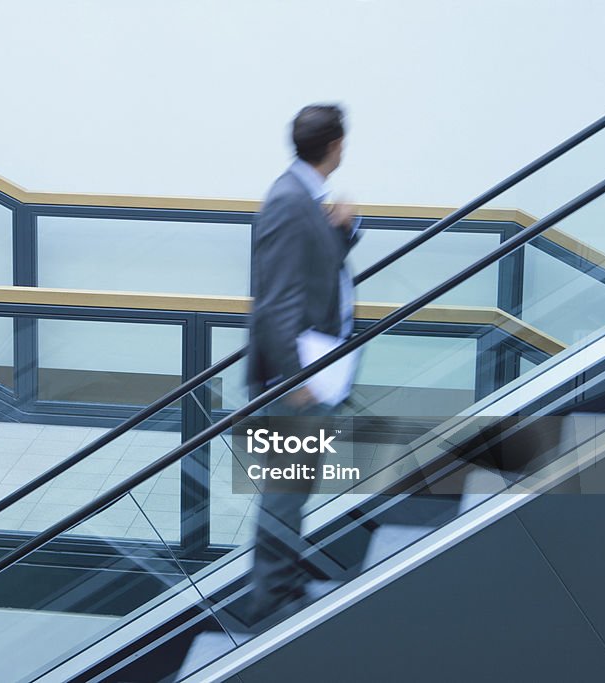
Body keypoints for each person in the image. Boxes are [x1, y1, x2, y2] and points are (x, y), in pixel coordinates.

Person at [244, 103, 360, 629]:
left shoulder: (304, 199)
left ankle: (284, 583)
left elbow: (311, 272)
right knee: (285, 488)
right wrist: (296, 381)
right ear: (336, 146)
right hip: (295, 379)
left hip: (308, 370)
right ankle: (270, 600)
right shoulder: (289, 202)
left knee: (295, 485)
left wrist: (342, 230)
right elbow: (276, 299)